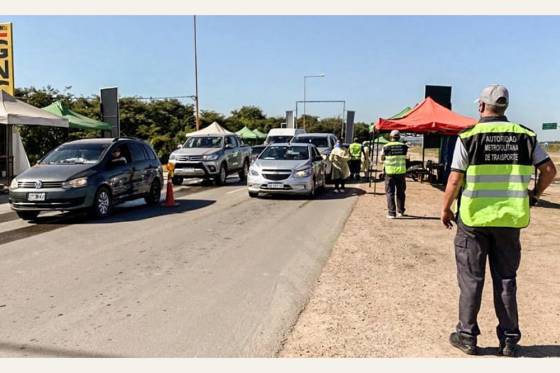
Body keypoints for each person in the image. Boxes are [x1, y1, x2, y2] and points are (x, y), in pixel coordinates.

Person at [441, 84, 557, 357]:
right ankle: (509, 340)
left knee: (471, 279)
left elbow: (455, 178)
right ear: (505, 107)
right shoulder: (526, 136)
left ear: (481, 106)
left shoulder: (469, 136)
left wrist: (445, 208)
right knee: (506, 279)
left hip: (473, 220)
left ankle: (467, 336)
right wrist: (534, 195)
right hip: (509, 220)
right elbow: (550, 170)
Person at [381, 130, 408, 218]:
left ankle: (392, 213)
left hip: (389, 172)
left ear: (390, 137)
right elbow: (407, 158)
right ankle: (401, 211)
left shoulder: (386, 147)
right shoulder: (404, 147)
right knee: (401, 192)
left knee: (390, 193)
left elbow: (382, 158)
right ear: (399, 137)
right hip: (401, 172)